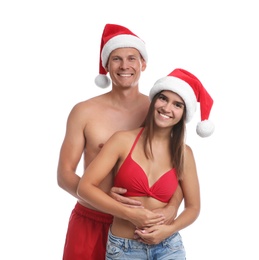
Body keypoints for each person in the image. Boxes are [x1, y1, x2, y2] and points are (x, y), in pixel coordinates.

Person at [57, 23, 183, 260]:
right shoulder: (84, 112)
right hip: (90, 221)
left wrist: (172, 208)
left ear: (143, 64)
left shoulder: (158, 112)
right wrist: (108, 203)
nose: (125, 66)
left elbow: (177, 169)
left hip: (138, 231)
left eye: (132, 58)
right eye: (116, 59)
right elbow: (64, 174)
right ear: (106, 65)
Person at [77, 68, 214, 259]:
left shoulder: (184, 154)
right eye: (163, 98)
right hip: (124, 249)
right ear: (154, 100)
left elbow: (193, 207)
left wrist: (169, 229)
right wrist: (129, 214)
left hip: (168, 247)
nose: (167, 108)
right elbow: (84, 188)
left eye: (177, 105)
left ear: (183, 114)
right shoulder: (121, 141)